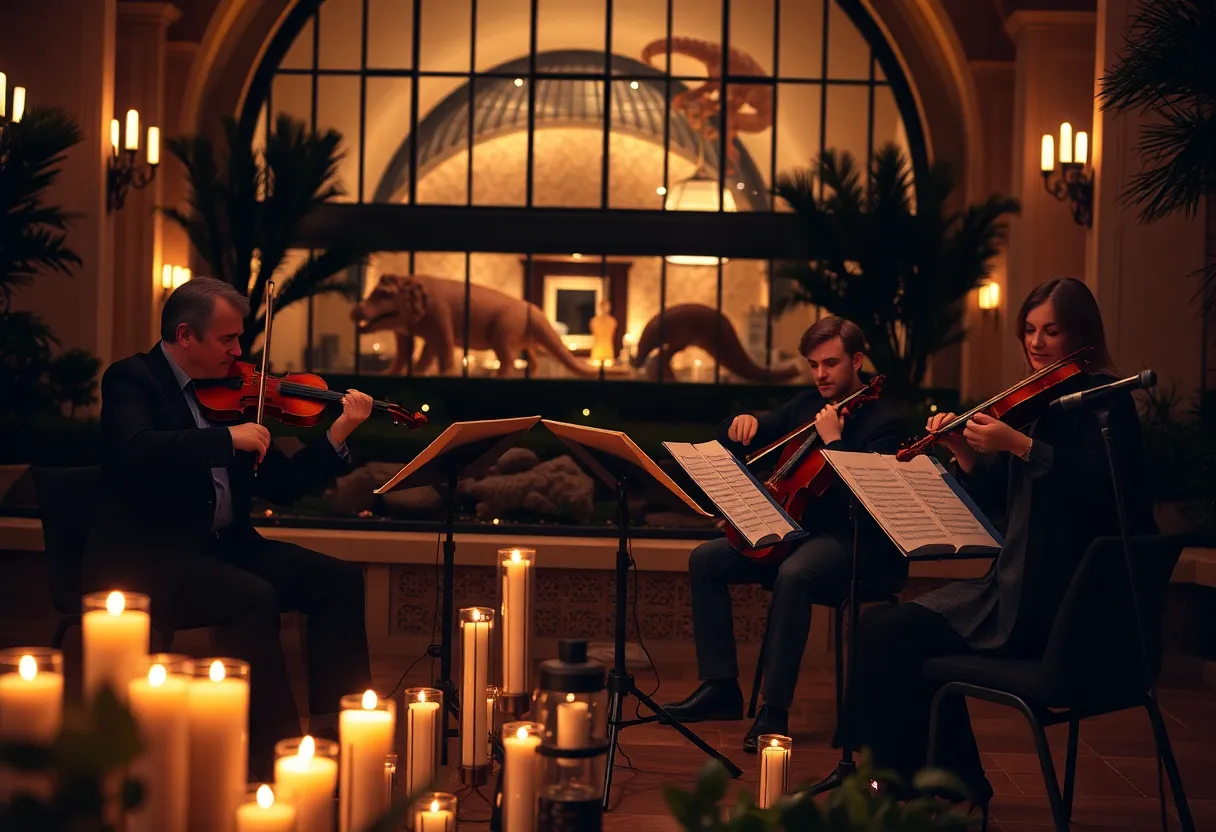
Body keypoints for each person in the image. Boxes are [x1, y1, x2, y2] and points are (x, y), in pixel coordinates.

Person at [840, 277, 1156, 807]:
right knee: (883, 628)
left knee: (894, 636)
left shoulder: (1105, 405)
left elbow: (1108, 490)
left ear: (1079, 332)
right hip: (1011, 586)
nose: (1036, 343)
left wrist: (1021, 445)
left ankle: (903, 788)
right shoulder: (1039, 405)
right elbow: (1004, 507)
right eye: (1029, 330)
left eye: (1051, 331)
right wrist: (964, 450)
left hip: (1054, 604)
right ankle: (927, 784)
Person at [83, 277, 376, 779]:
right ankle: (276, 753)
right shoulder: (132, 379)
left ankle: (339, 733)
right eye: (228, 340)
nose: (239, 351)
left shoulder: (233, 394)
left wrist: (338, 433)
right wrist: (225, 441)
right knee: (252, 597)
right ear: (185, 335)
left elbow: (279, 485)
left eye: (240, 339)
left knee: (341, 581)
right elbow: (135, 450)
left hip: (225, 546)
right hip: (155, 556)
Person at [662, 316, 909, 752]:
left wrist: (834, 446)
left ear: (857, 359)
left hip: (855, 542)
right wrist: (738, 423)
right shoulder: (803, 406)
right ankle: (721, 687)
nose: (821, 375)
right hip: (796, 531)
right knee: (706, 559)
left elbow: (868, 507)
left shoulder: (884, 423)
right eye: (814, 365)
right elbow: (746, 437)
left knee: (795, 574)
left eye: (831, 363)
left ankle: (774, 710)